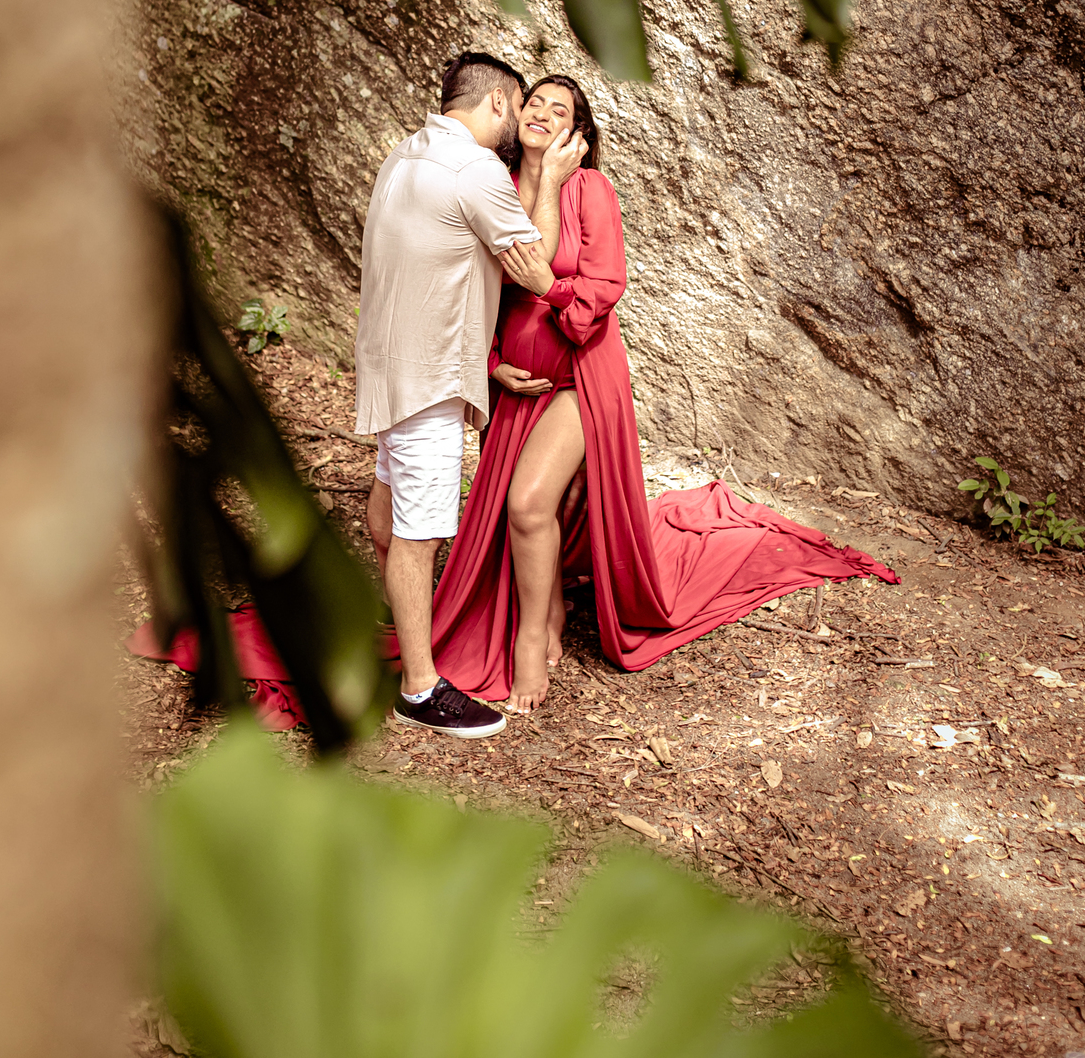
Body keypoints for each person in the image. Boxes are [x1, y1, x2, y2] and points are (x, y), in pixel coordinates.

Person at [429, 74, 899, 712]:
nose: (540, 112)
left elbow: (603, 285)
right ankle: (555, 605)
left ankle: (530, 640)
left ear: (578, 135)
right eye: (533, 101)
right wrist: (489, 364)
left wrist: (550, 285)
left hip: (581, 375)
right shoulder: (498, 186)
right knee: (556, 503)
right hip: (516, 382)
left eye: (558, 109)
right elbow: (473, 289)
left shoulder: (591, 190)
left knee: (530, 504)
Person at [355, 52, 585, 737]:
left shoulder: (405, 154)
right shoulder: (475, 168)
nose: (525, 119)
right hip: (429, 376)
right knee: (419, 533)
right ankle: (420, 688)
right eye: (521, 105)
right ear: (496, 104)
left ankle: (394, 617)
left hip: (389, 366)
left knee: (387, 502)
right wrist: (550, 179)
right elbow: (531, 260)